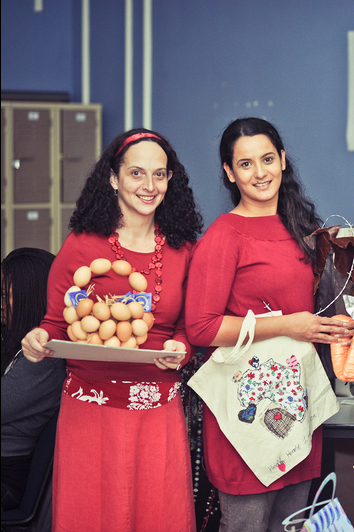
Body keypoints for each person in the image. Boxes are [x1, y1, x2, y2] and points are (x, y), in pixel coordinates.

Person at [21, 128, 203, 531]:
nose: (149, 185)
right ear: (113, 178)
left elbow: (192, 329)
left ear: (170, 180)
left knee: (158, 517)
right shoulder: (82, 245)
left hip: (156, 408)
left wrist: (180, 347)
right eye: (136, 173)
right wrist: (37, 340)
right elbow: (54, 323)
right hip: (91, 411)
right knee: (91, 516)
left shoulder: (183, 250)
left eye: (159, 174)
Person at [185, 117, 353, 532]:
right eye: (245, 164)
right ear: (229, 172)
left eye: (267, 159)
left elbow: (309, 313)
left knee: (291, 524)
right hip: (246, 412)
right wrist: (284, 325)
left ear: (282, 161)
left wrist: (339, 324)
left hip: (295, 404)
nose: (259, 173)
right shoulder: (224, 236)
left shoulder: (302, 231)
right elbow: (201, 328)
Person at [1, 248, 64, 516]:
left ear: (30, 297)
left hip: (7, 477)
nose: (0, 303)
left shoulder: (44, 356)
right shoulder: (12, 339)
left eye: (5, 295)